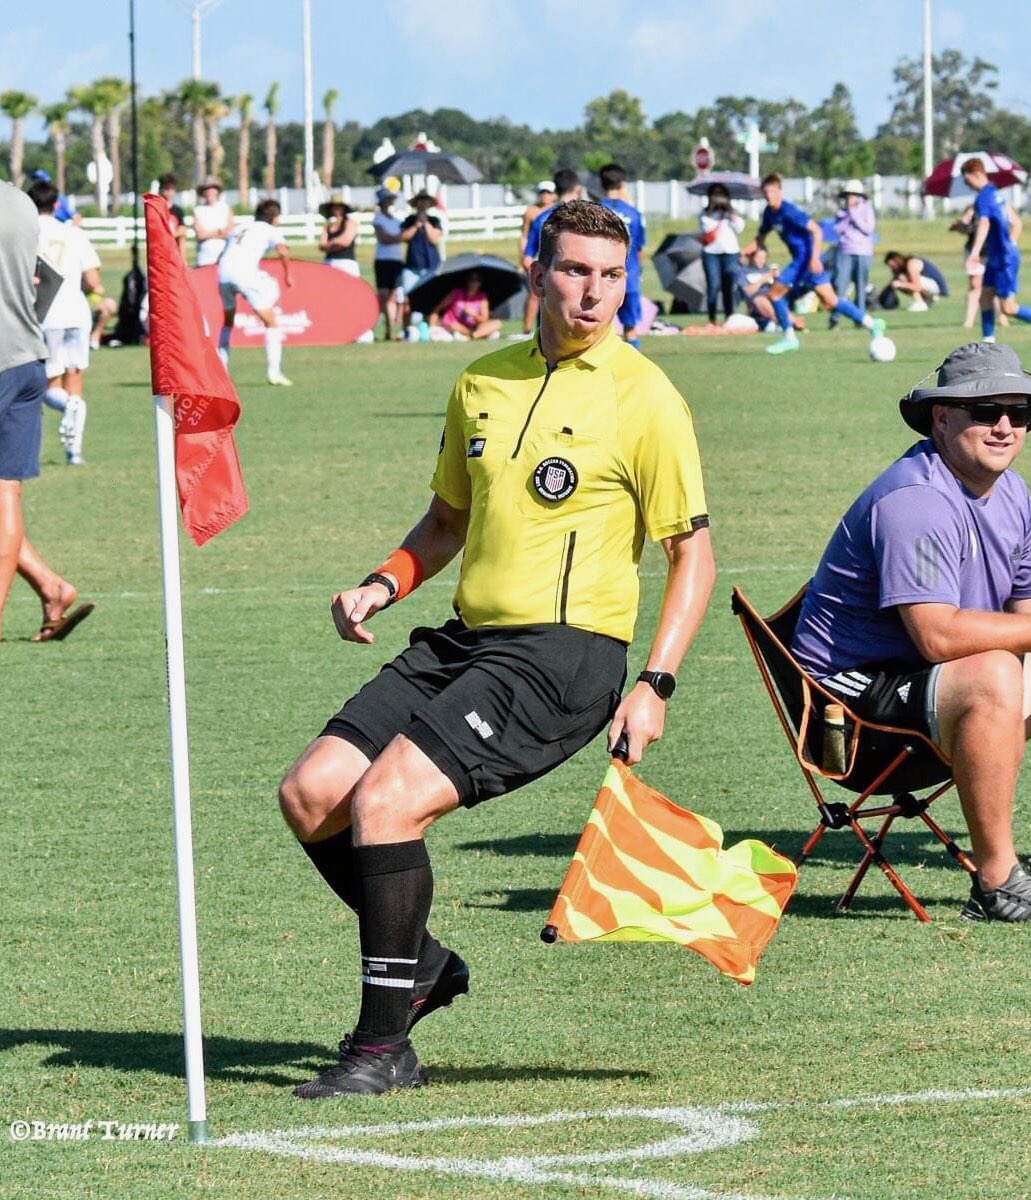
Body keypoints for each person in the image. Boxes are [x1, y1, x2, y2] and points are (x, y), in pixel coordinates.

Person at [277, 199, 714, 1098]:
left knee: (388, 802)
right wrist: (383, 581)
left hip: (566, 656)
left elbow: (691, 555)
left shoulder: (646, 396)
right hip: (467, 641)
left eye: (610, 274)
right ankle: (422, 964)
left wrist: (655, 682)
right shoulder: (482, 380)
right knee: (312, 792)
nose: (594, 293)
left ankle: (380, 1045)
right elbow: (447, 520)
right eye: (575, 270)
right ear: (536, 270)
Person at [791, 342, 1031, 923]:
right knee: (995, 669)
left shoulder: (1010, 491)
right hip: (849, 711)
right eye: (985, 411)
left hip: (926, 682)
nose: (1004, 427)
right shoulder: (915, 499)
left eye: (1018, 414)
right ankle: (996, 883)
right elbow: (937, 637)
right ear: (941, 417)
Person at [0, 113, 93, 646]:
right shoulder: (16, 199)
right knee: (2, 489)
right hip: (27, 362)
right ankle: (47, 590)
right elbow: (43, 277)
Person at [745, 173, 885, 355]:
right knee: (831, 300)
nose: (768, 196)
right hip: (804, 262)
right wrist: (748, 248)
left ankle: (790, 338)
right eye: (765, 192)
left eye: (771, 192)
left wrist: (814, 258)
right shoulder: (769, 214)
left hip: (805, 260)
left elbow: (817, 231)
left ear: (780, 191)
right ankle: (871, 324)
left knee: (775, 294)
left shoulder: (790, 211)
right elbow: (761, 236)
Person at [30, 179, 102, 466]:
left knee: (48, 385)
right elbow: (94, 280)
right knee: (75, 376)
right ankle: (74, 452)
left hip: (46, 312)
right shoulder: (74, 233)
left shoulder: (28, 233)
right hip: (78, 312)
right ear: (56, 204)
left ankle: (69, 408)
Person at [963, 158, 1031, 350]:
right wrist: (1010, 243)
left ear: (976, 174)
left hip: (1003, 259)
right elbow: (1016, 222)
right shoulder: (996, 194)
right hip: (999, 255)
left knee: (1008, 308)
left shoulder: (984, 197)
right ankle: (988, 344)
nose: (966, 185)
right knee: (985, 297)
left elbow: (985, 223)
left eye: (967, 180)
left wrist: (975, 252)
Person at [216, 198, 293, 387]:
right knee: (272, 323)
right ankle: (274, 373)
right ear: (274, 217)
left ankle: (220, 372)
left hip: (223, 273)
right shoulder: (270, 230)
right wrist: (288, 275)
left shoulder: (240, 228)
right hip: (244, 274)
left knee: (227, 322)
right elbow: (283, 251)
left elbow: (223, 253)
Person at [519, 170, 582, 338]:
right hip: (579, 282)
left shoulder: (542, 217)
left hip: (549, 280)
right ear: (577, 188)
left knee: (548, 335)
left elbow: (528, 255)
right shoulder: (584, 216)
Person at [598, 163, 647, 347]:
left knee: (599, 330)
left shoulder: (594, 210)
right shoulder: (634, 213)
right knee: (631, 329)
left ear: (602, 184)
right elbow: (640, 248)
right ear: (622, 184)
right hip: (629, 276)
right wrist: (637, 273)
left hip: (600, 278)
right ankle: (633, 372)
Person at [829, 180, 876, 329]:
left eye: (853, 195)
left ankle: (860, 318)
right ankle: (835, 318)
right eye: (848, 195)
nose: (850, 198)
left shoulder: (867, 210)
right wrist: (847, 216)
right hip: (845, 251)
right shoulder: (841, 212)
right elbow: (837, 229)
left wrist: (854, 214)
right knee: (840, 285)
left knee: (860, 286)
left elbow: (868, 229)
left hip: (863, 251)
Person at [698, 182, 745, 326]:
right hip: (711, 253)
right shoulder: (705, 214)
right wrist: (713, 210)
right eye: (715, 196)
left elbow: (740, 228)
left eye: (721, 196)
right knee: (713, 285)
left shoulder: (731, 213)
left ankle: (729, 317)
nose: (718, 199)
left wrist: (730, 212)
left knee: (728, 286)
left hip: (730, 253)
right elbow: (707, 230)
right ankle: (712, 319)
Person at [399, 192, 445, 330]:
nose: (423, 204)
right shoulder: (408, 220)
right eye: (420, 201)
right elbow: (404, 237)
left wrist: (426, 224)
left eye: (425, 201)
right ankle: (406, 329)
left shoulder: (435, 220)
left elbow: (435, 239)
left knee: (431, 299)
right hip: (412, 265)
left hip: (431, 265)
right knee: (408, 299)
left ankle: (430, 328)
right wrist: (416, 225)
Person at [517, 180, 556, 337]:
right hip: (536, 255)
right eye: (542, 193)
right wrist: (524, 257)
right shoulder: (531, 211)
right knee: (534, 293)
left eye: (548, 193)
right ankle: (526, 330)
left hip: (553, 256)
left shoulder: (558, 210)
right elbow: (525, 235)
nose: (545, 196)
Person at [371, 187, 404, 340]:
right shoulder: (378, 218)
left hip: (396, 259)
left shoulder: (397, 220)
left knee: (393, 295)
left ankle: (390, 329)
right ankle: (383, 324)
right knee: (383, 294)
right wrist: (401, 237)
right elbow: (384, 238)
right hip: (383, 260)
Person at [430, 272, 501, 341]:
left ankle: (473, 336)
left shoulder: (482, 297)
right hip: (455, 325)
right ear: (467, 281)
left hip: (474, 327)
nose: (474, 283)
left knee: (497, 323)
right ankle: (478, 336)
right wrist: (433, 322)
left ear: (480, 283)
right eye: (472, 280)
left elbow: (484, 320)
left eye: (477, 280)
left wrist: (474, 314)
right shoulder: (456, 293)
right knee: (452, 325)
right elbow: (438, 308)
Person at [883, 251, 949, 311]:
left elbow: (917, 287)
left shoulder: (912, 263)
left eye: (892, 265)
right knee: (899, 281)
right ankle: (926, 301)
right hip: (929, 288)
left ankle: (920, 303)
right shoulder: (901, 270)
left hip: (936, 288)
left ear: (897, 260)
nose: (892, 268)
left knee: (902, 280)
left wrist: (901, 284)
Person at [192, 180, 235, 268]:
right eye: (207, 190)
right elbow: (200, 234)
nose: (210, 192)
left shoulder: (225, 208)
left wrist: (209, 233)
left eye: (212, 189)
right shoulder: (198, 210)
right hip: (204, 258)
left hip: (224, 256)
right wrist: (219, 232)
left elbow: (230, 232)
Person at [318, 198, 361, 277]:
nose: (336, 209)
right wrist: (335, 244)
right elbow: (321, 245)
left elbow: (345, 241)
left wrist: (331, 243)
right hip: (329, 262)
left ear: (344, 209)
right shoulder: (328, 225)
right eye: (334, 207)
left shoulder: (350, 222)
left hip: (346, 263)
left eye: (339, 207)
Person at [157, 173, 188, 253]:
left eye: (172, 189)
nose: (169, 192)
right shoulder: (157, 210)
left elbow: (182, 229)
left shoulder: (178, 211)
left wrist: (171, 235)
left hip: (174, 249)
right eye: (167, 189)